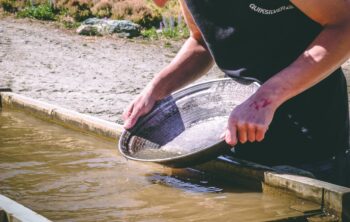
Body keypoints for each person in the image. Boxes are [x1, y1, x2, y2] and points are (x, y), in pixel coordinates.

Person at [123, 0, 350, 187]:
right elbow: (201, 41)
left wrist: (265, 99)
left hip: (313, 135)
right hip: (235, 131)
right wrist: (157, 89)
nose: (157, 3)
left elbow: (345, 25)